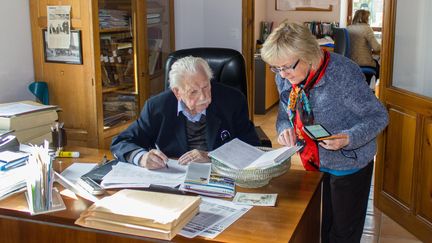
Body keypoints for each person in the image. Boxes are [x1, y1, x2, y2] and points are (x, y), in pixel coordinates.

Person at [260, 21, 388, 243]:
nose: (282, 75)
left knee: (343, 232)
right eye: (276, 68)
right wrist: (284, 129)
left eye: (287, 67)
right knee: (322, 223)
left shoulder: (342, 75)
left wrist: (349, 138)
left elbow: (379, 116)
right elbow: (283, 115)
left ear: (309, 54)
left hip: (349, 164)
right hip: (313, 161)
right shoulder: (285, 75)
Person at [111, 56, 260, 169]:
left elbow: (252, 146)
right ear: (177, 92)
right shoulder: (157, 107)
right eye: (193, 91)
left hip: (220, 175)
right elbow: (121, 142)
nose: (204, 97)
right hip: (175, 180)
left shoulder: (232, 100)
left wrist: (212, 157)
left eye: (206, 87)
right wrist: (142, 158)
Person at [347, 9, 381, 85]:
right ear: (365, 18)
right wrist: (384, 46)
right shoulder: (367, 29)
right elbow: (376, 48)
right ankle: (371, 89)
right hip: (363, 63)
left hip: (350, 63)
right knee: (380, 67)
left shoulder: (348, 28)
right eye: (368, 18)